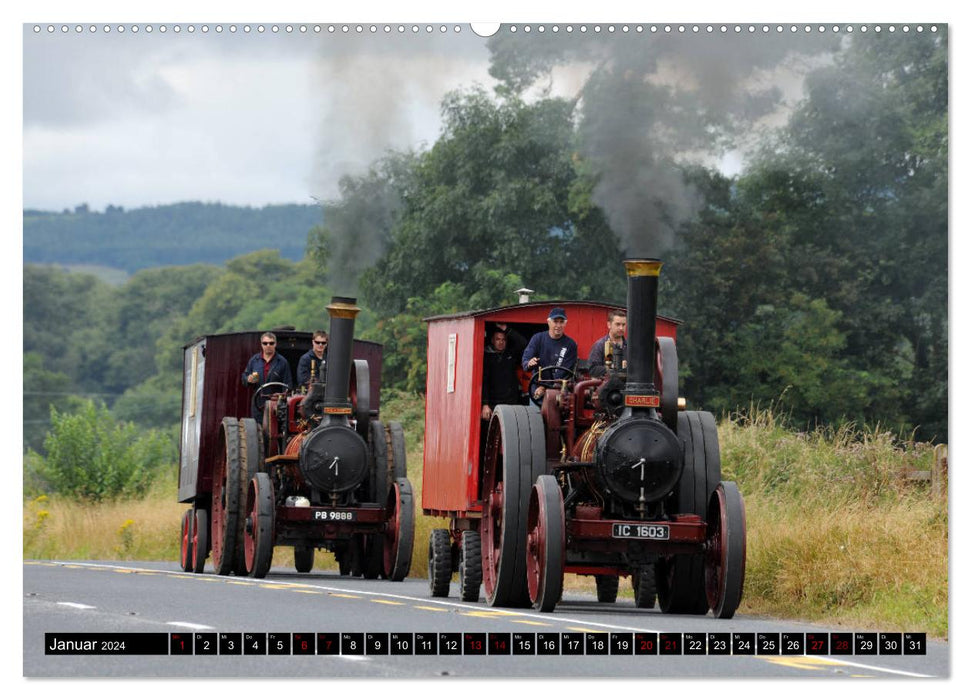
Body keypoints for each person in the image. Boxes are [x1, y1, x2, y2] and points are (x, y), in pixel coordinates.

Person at [522, 307, 578, 401]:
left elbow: (564, 372)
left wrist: (545, 388)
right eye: (555, 321)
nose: (558, 325)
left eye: (561, 322)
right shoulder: (537, 339)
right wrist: (529, 363)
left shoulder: (570, 344)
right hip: (537, 391)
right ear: (549, 322)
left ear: (565, 323)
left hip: (559, 394)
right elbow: (526, 360)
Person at [242, 332, 293, 421]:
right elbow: (244, 378)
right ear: (261, 344)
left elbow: (288, 385)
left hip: (276, 405)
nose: (268, 345)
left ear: (275, 344)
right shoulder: (254, 360)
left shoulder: (282, 362)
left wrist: (282, 397)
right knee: (257, 430)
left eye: (271, 343)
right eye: (265, 343)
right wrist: (248, 379)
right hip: (258, 404)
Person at [481, 326, 523, 422]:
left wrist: (506, 329)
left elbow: (522, 343)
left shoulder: (511, 354)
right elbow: (484, 381)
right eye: (498, 339)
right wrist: (485, 404)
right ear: (492, 340)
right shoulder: (485, 356)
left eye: (503, 339)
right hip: (492, 404)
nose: (501, 342)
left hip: (511, 403)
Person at [588, 309, 627, 376]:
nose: (621, 328)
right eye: (618, 324)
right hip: (606, 384)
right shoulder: (600, 345)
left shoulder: (631, 347)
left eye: (623, 325)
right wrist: (612, 369)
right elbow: (593, 369)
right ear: (609, 325)